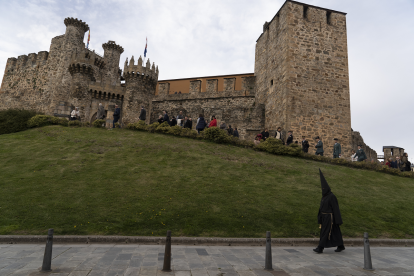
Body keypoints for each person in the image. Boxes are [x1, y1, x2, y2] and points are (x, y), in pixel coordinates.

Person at [313, 169, 345, 254]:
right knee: (335, 232)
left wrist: (338, 220)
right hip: (324, 217)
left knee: (326, 232)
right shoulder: (324, 197)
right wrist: (320, 217)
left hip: (330, 218)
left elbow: (335, 208)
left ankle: (320, 248)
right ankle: (341, 245)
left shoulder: (331, 196)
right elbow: (321, 208)